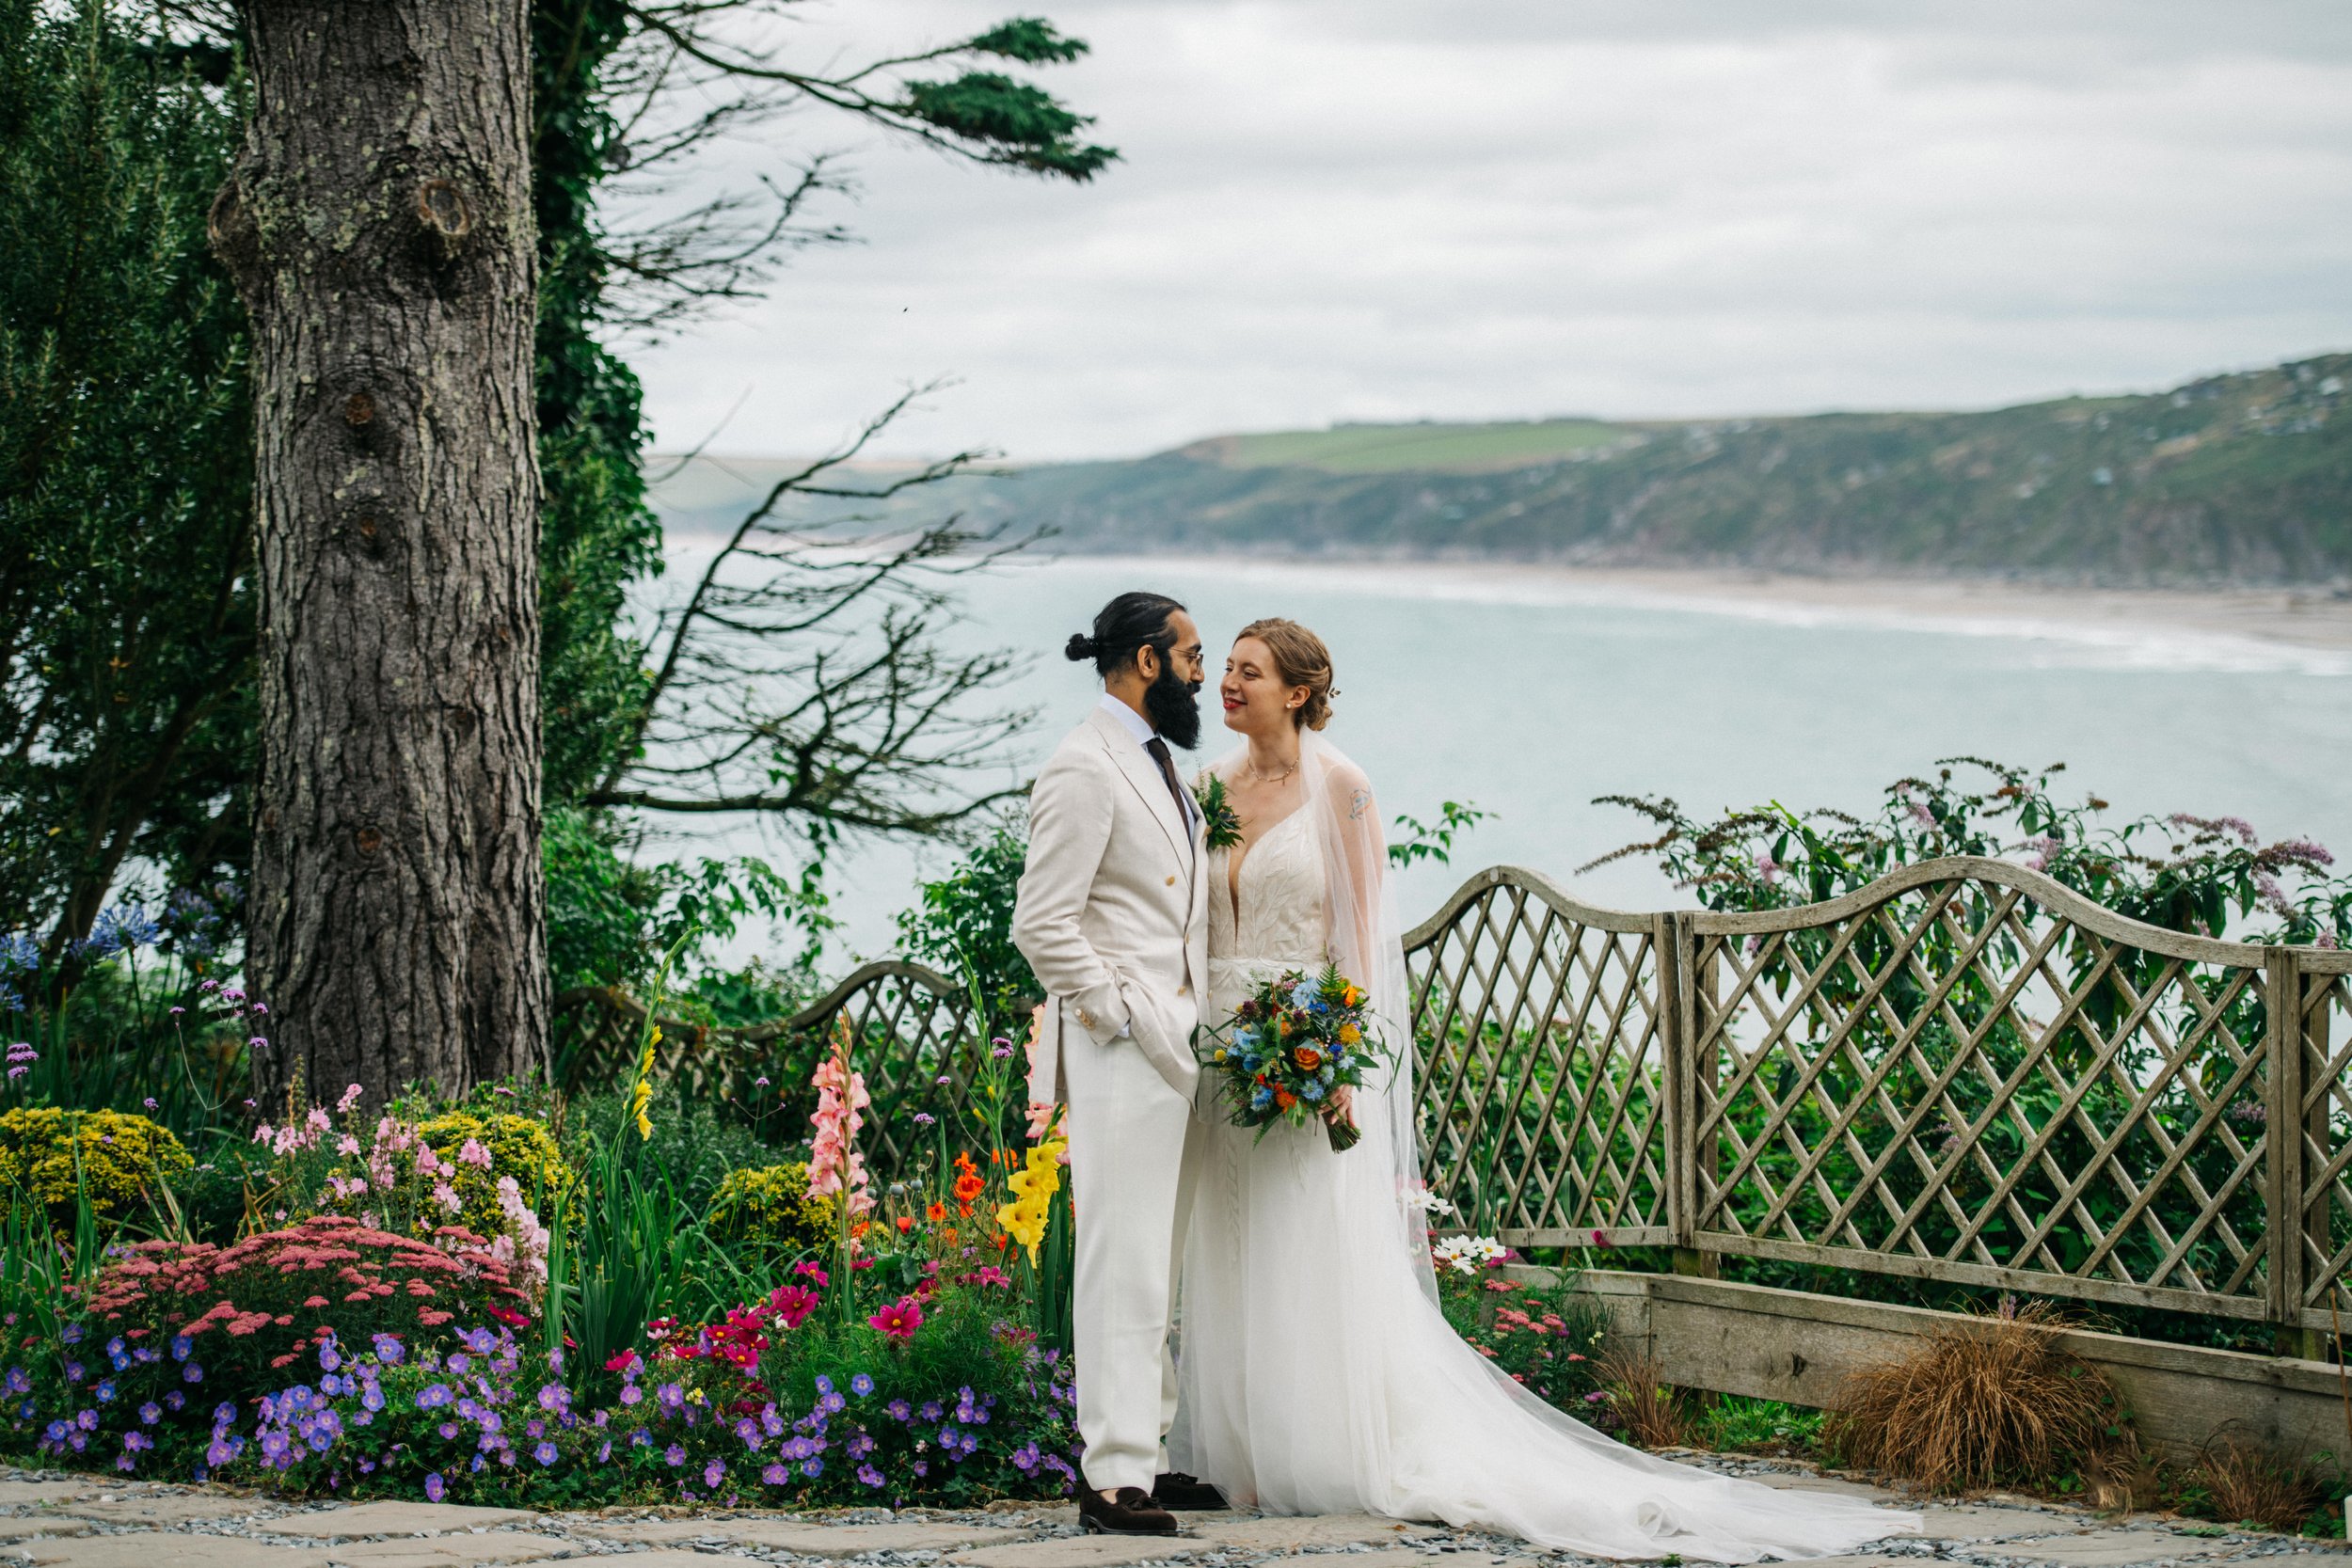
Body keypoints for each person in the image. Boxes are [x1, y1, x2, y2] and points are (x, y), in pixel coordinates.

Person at [1169, 618, 1921, 1563]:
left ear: (1299, 688)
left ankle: (1314, 1445)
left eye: (1247, 671)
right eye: (1226, 669)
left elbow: (1363, 938)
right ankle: (1237, 1455)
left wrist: (1338, 1055)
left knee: (1297, 1244)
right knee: (1229, 1242)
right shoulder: (1208, 790)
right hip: (1221, 1058)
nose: (1227, 684)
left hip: (1303, 1054)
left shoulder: (1343, 788)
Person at [1009, 591, 1227, 1536]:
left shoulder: (1160, 766)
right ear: (1145, 658)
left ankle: (1150, 1451)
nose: (1201, 673)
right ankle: (1110, 1478)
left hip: (1173, 1051)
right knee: (1119, 1261)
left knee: (1159, 1261)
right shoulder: (1083, 764)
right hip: (1122, 1050)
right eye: (1190, 654)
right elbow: (1041, 922)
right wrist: (1120, 1013)